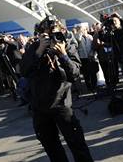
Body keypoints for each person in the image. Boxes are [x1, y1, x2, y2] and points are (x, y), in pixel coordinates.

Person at [20, 15, 93, 162]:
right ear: (41, 33)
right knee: (51, 147)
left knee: (76, 142)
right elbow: (24, 71)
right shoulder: (34, 47)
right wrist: (39, 50)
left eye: (55, 30)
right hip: (40, 106)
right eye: (48, 31)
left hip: (61, 103)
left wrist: (63, 55)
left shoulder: (66, 45)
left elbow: (75, 74)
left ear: (60, 30)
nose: (52, 35)